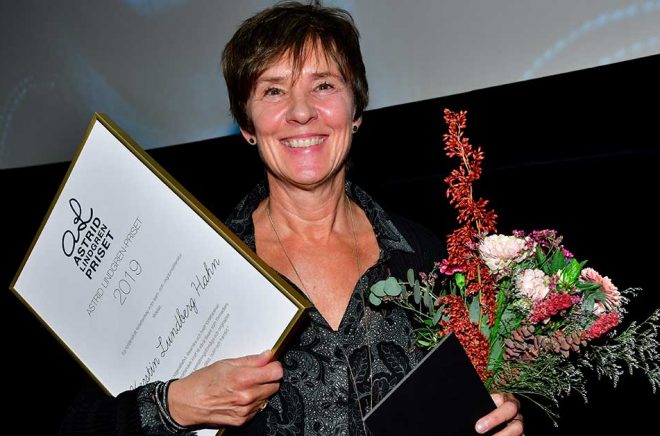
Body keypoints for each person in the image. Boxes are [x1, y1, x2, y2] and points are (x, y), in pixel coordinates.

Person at [60, 2, 524, 435]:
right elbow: (81, 424)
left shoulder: (427, 256)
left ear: (356, 109)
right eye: (274, 91)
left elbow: (478, 393)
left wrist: (498, 417)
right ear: (247, 125)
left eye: (323, 85)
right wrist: (177, 404)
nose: (301, 112)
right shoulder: (201, 265)